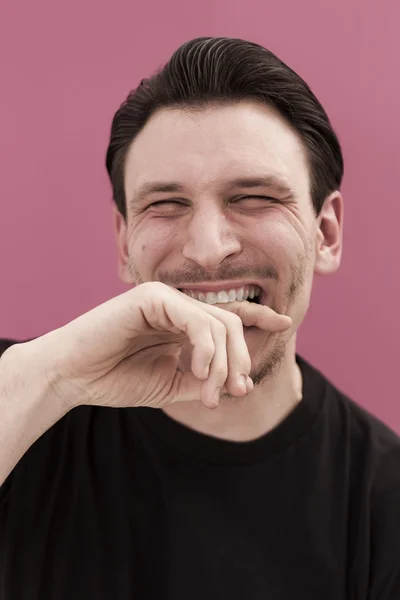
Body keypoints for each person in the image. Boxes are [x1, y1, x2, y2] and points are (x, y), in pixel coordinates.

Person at [0, 36, 399, 600]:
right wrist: (53, 382)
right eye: (166, 204)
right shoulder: (20, 395)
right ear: (123, 243)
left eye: (254, 197)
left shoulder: (384, 502)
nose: (208, 249)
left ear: (326, 233)